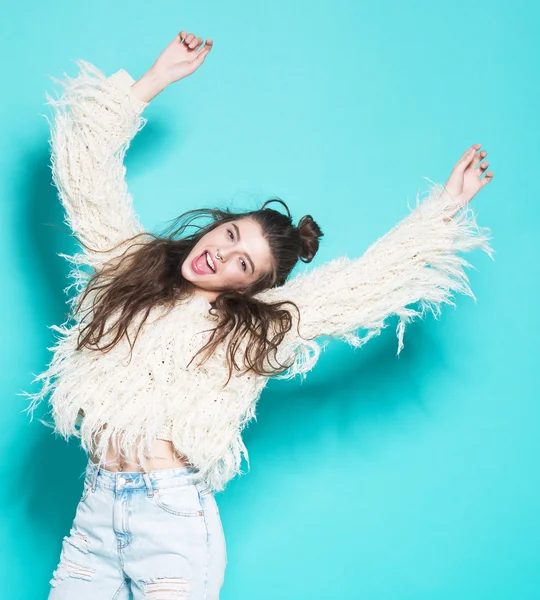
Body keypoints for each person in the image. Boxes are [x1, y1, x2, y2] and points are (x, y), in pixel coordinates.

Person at [23, 30, 494, 600]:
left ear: (250, 287)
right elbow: (87, 178)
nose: (220, 252)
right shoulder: (131, 268)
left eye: (241, 261)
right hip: (95, 513)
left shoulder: (257, 327)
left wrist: (446, 208)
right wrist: (155, 79)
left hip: (171, 524)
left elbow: (366, 284)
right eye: (228, 234)